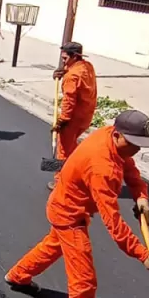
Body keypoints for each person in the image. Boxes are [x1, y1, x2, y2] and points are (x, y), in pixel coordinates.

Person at [4, 110, 149, 298]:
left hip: (62, 204)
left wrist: (141, 194)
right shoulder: (103, 168)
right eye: (133, 144)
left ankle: (18, 276)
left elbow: (129, 166)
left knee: (52, 246)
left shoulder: (109, 138)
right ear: (118, 134)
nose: (136, 150)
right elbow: (113, 223)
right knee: (84, 280)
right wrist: (142, 254)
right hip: (69, 216)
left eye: (140, 144)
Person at [49, 42, 99, 188]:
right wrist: (63, 71)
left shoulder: (72, 77)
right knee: (71, 147)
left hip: (73, 119)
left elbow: (68, 101)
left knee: (63, 149)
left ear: (74, 56)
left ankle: (60, 182)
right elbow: (76, 74)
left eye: (65, 59)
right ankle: (77, 173)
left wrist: (61, 122)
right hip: (86, 116)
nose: (63, 61)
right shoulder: (87, 67)